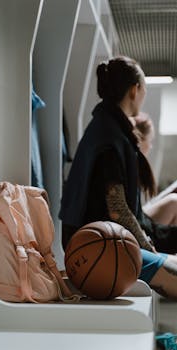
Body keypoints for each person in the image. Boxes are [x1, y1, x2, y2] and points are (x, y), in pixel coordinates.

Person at [59, 55, 177, 299]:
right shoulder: (110, 137)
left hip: (101, 236)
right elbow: (118, 211)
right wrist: (147, 247)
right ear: (135, 90)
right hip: (100, 244)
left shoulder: (105, 127)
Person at [134, 112, 177, 226]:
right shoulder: (131, 163)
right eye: (150, 141)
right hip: (135, 224)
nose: (151, 146)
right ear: (139, 139)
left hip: (138, 216)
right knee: (174, 201)